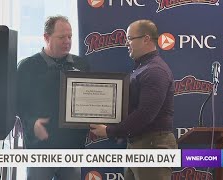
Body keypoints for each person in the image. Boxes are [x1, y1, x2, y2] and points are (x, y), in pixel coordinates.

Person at [90, 19, 177, 180]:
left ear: (146, 39)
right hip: (140, 143)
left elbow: (145, 114)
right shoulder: (143, 68)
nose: (126, 43)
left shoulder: (154, 71)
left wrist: (110, 131)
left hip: (152, 146)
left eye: (130, 38)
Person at [17, 15, 90, 180]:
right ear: (46, 37)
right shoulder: (27, 67)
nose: (67, 41)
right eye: (61, 37)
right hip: (41, 148)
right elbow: (17, 105)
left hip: (72, 148)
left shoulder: (81, 65)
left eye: (70, 36)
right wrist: (32, 122)